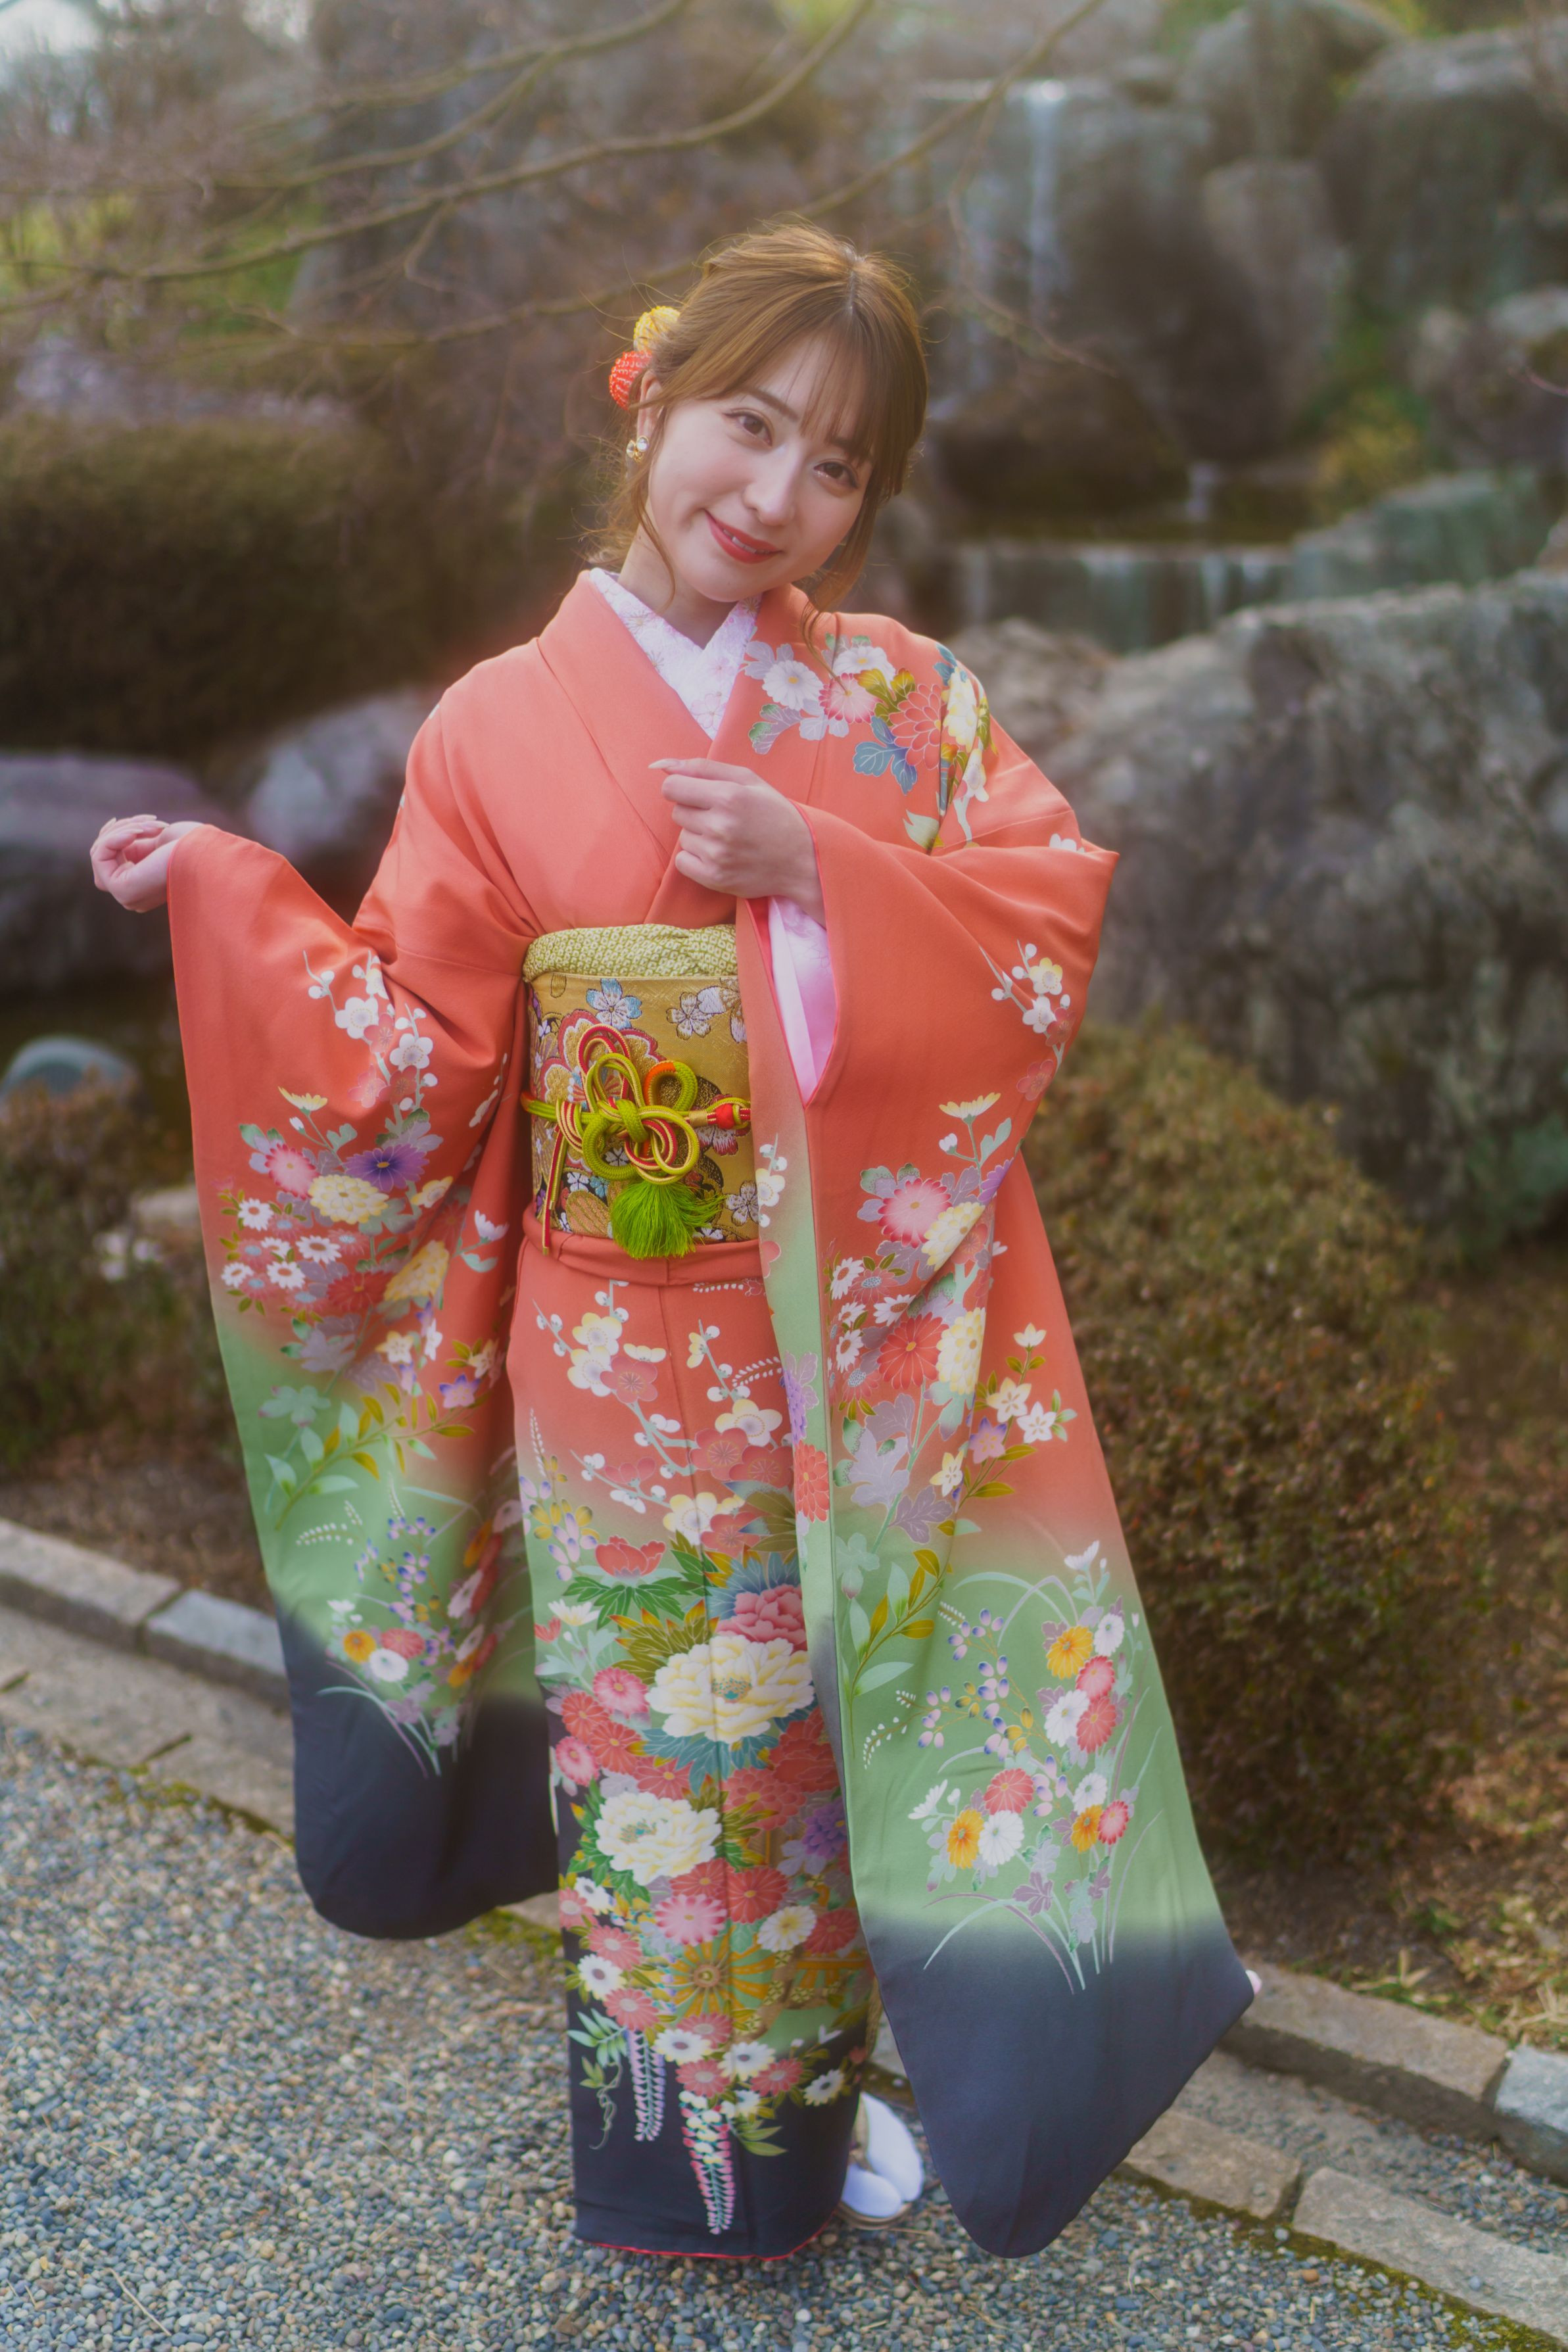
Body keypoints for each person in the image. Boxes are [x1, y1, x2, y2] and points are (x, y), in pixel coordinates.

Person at [91, 220, 1251, 2264]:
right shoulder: (492, 727)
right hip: (614, 1351)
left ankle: (807, 2118)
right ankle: (676, 2158)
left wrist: (822, 866)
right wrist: (223, 891)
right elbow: (413, 1051)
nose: (777, 490)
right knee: (652, 1753)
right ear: (649, 399)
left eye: (836, 463)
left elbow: (1040, 910)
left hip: (836, 1328)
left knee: (806, 1748)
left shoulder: (900, 701)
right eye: (750, 422)